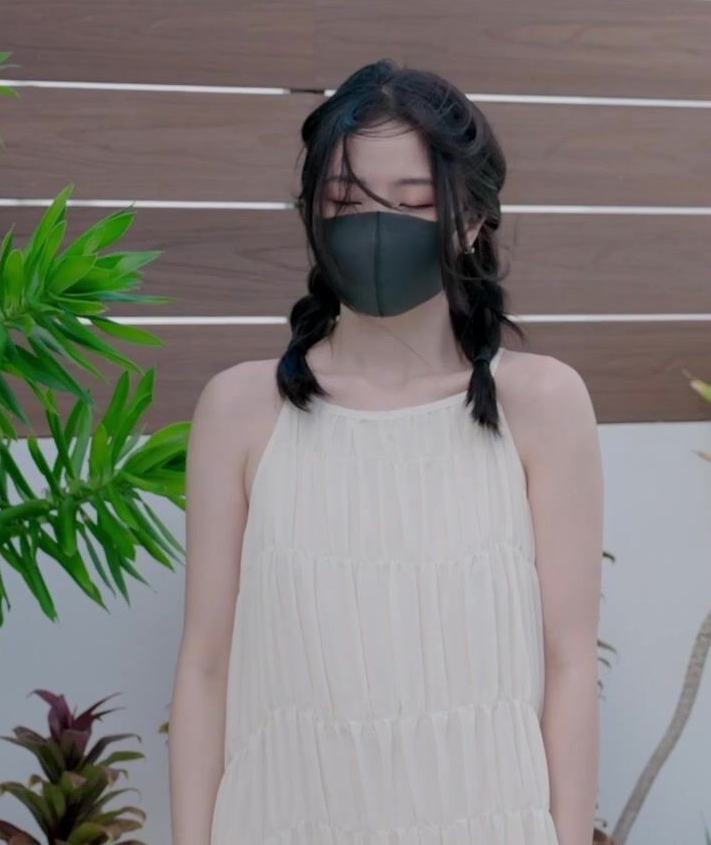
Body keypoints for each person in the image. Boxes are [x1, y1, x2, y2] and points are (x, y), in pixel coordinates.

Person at [168, 60, 605, 844]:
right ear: (310, 214)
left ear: (471, 220)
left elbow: (570, 666)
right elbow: (205, 667)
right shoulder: (241, 410)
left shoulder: (541, 404)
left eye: (414, 202)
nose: (375, 227)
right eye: (344, 201)